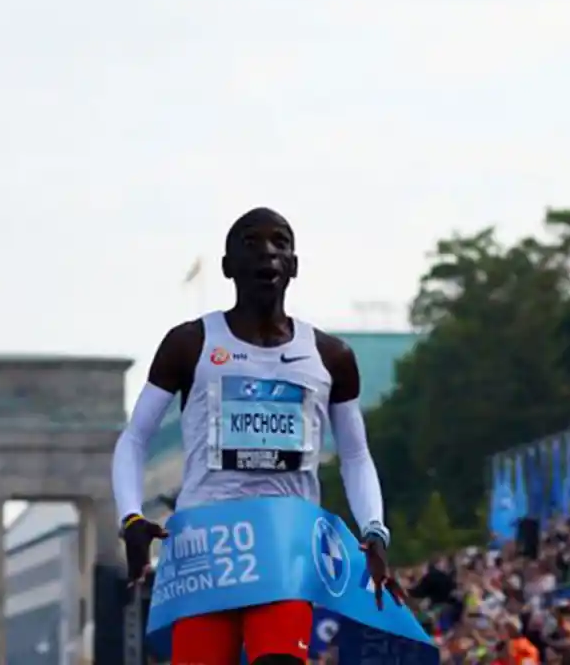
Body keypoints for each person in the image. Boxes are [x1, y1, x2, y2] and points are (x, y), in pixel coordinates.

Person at [112, 207, 403, 665]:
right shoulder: (190, 343)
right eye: (251, 242)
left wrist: (374, 531)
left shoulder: (330, 356)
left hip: (285, 546)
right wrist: (130, 519)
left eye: (280, 242)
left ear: (294, 264)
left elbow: (355, 454)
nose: (268, 252)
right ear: (228, 266)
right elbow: (134, 439)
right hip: (205, 548)